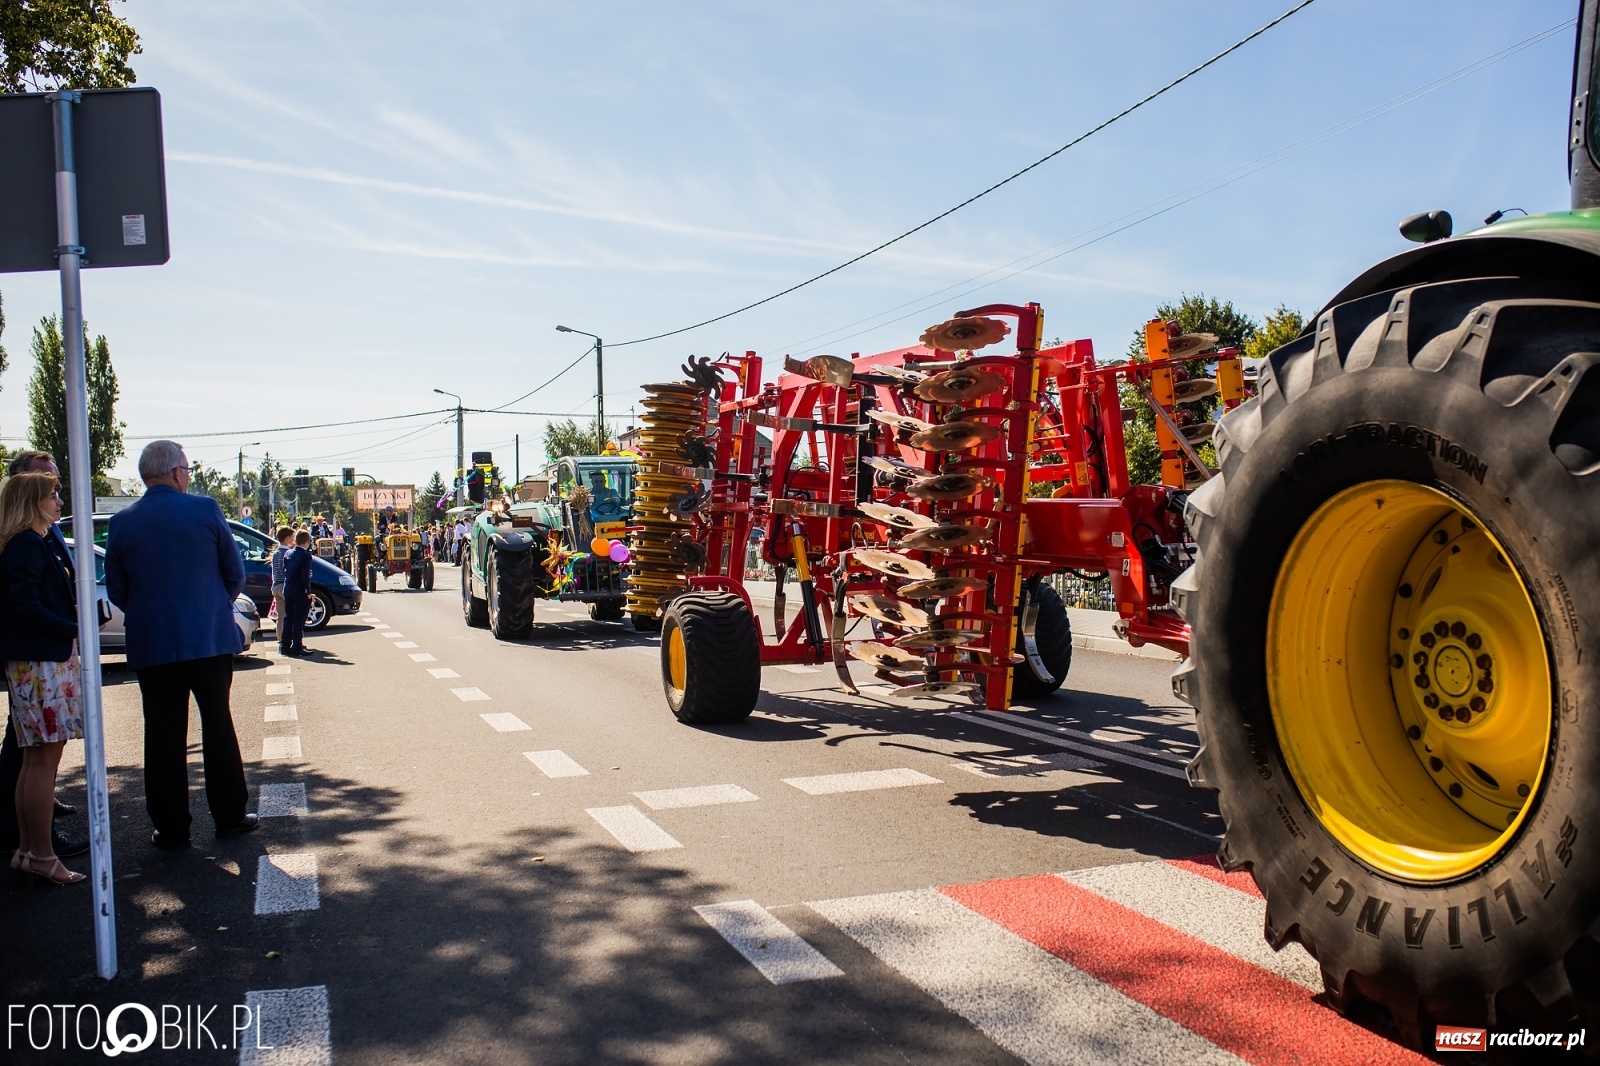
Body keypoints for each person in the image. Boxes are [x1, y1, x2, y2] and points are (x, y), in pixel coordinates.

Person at [105, 440, 256, 850]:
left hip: (152, 643)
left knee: (162, 735)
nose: (188, 476)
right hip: (207, 638)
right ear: (176, 473)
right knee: (217, 726)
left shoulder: (122, 523)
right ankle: (229, 816)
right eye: (187, 470)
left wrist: (151, 612)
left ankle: (171, 827)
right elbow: (234, 572)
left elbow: (118, 589)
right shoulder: (204, 509)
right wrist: (211, 605)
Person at [0, 451, 87, 862]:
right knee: (37, 762)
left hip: (41, 662)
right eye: (52, 493)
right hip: (41, 665)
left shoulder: (31, 541)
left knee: (36, 761)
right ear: (31, 498)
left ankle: (29, 849)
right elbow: (25, 608)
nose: (59, 502)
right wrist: (75, 627)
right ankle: (40, 853)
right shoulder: (25, 545)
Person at [281, 530, 312, 657]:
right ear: (307, 542)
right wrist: (308, 591)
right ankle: (297, 647)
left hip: (288, 589)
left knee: (288, 619)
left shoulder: (288, 553)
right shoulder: (306, 556)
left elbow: (285, 570)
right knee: (298, 621)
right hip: (300, 591)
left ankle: (285, 646)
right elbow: (305, 576)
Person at [270, 526, 294, 654]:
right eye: (292, 536)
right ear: (287, 538)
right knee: (292, 615)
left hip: (276, 586)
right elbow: (288, 571)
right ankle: (292, 640)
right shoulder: (288, 553)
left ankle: (280, 641)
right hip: (286, 586)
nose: (293, 539)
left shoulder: (275, 553)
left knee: (280, 617)